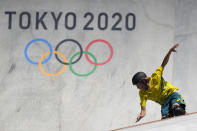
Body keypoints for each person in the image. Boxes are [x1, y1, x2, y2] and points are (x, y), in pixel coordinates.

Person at [132, 43, 186, 122]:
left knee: (176, 109)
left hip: (172, 95)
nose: (137, 88)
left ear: (143, 81)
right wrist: (141, 114)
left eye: (138, 85)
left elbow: (163, 64)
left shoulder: (155, 77)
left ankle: (190, 118)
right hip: (164, 104)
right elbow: (143, 110)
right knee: (165, 121)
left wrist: (169, 52)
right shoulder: (142, 93)